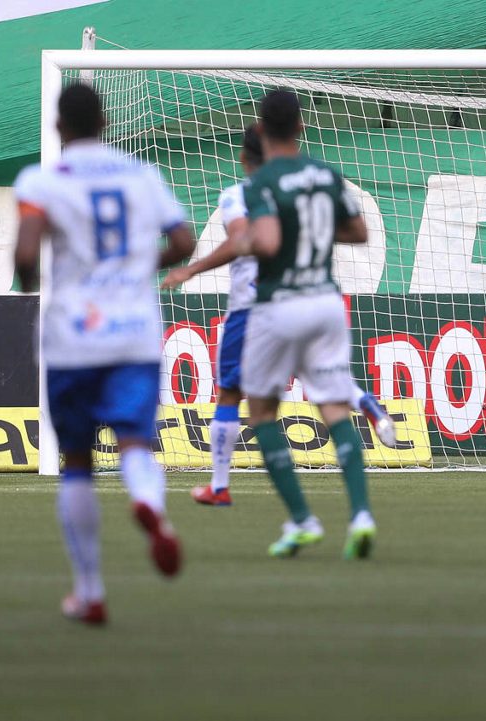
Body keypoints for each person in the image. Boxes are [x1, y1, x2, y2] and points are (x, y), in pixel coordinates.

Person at [12, 82, 195, 625]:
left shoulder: (41, 180)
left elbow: (26, 250)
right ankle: (151, 505)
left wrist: (29, 284)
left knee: (76, 462)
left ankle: (90, 592)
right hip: (133, 332)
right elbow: (183, 243)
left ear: (58, 127)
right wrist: (137, 266)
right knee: (136, 442)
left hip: (73, 335)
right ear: (106, 122)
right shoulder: (142, 174)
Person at [161, 124, 396, 507]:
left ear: (244, 158)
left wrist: (192, 269)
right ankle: (364, 402)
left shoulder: (241, 194)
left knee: (233, 394)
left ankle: (221, 486)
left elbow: (243, 239)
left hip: (252, 306)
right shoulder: (299, 191)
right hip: (306, 300)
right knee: (317, 375)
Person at [239, 89, 377, 559]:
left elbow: (267, 241)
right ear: (301, 125)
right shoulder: (326, 174)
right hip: (325, 301)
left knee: (262, 412)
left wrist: (255, 239)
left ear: (261, 128)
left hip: (279, 305)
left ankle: (302, 519)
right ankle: (361, 514)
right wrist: (312, 231)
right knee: (335, 408)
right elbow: (359, 232)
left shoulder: (261, 181)